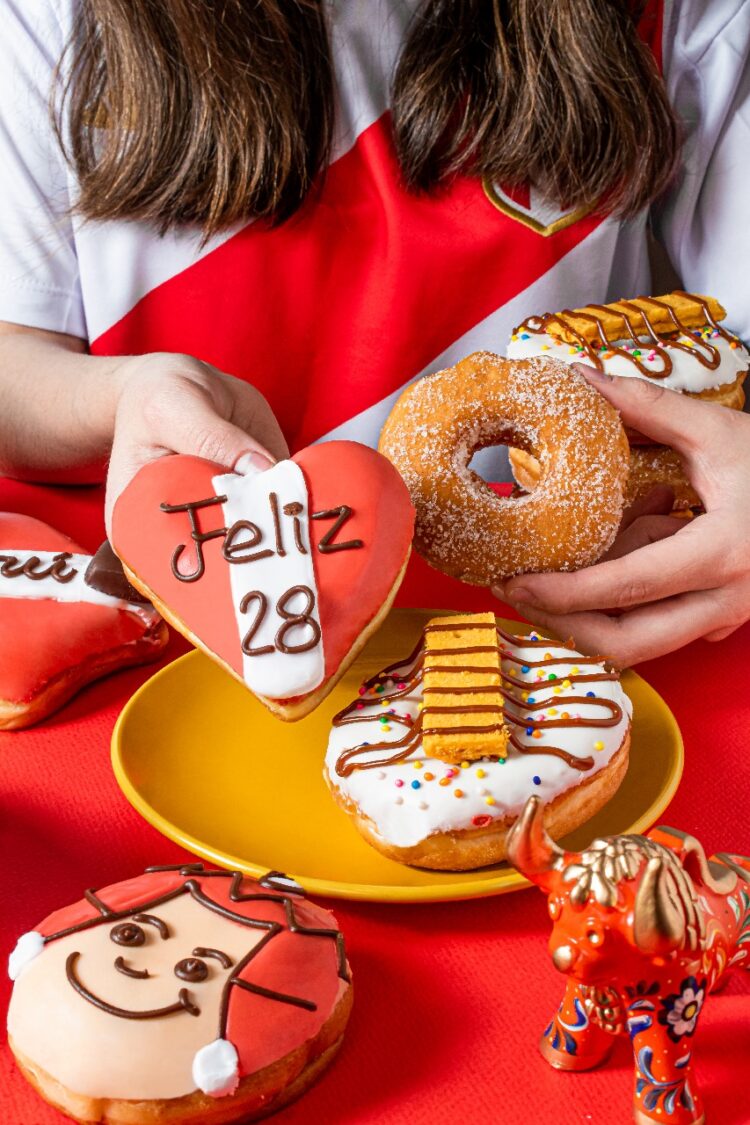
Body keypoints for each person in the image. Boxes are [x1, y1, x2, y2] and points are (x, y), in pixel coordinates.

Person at [0, 0, 748, 667]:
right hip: (177, 639)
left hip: (588, 645)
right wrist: (123, 392)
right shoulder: (54, 21)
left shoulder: (679, 17)